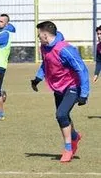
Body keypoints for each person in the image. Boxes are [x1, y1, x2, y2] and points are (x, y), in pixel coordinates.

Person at [30, 21, 89, 163]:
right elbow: (46, 63)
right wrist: (38, 78)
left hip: (72, 86)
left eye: (39, 35)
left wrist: (84, 94)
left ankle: (68, 149)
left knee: (61, 114)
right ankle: (74, 136)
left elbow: (82, 69)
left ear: (45, 34)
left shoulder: (65, 49)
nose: (38, 37)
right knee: (63, 116)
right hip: (58, 87)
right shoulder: (44, 47)